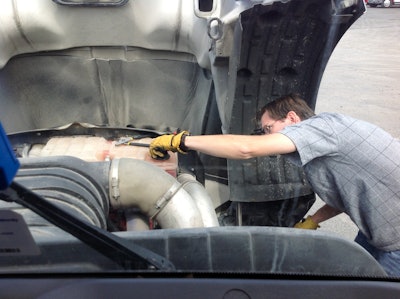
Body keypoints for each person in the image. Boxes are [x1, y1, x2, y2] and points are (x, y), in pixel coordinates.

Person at [149, 93, 400, 276]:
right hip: (378, 232)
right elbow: (346, 195)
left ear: (292, 117)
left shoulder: (321, 128)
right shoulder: (328, 140)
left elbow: (246, 148)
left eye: (268, 128)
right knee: (355, 280)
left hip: (396, 243)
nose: (268, 137)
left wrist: (181, 141)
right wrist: (314, 220)